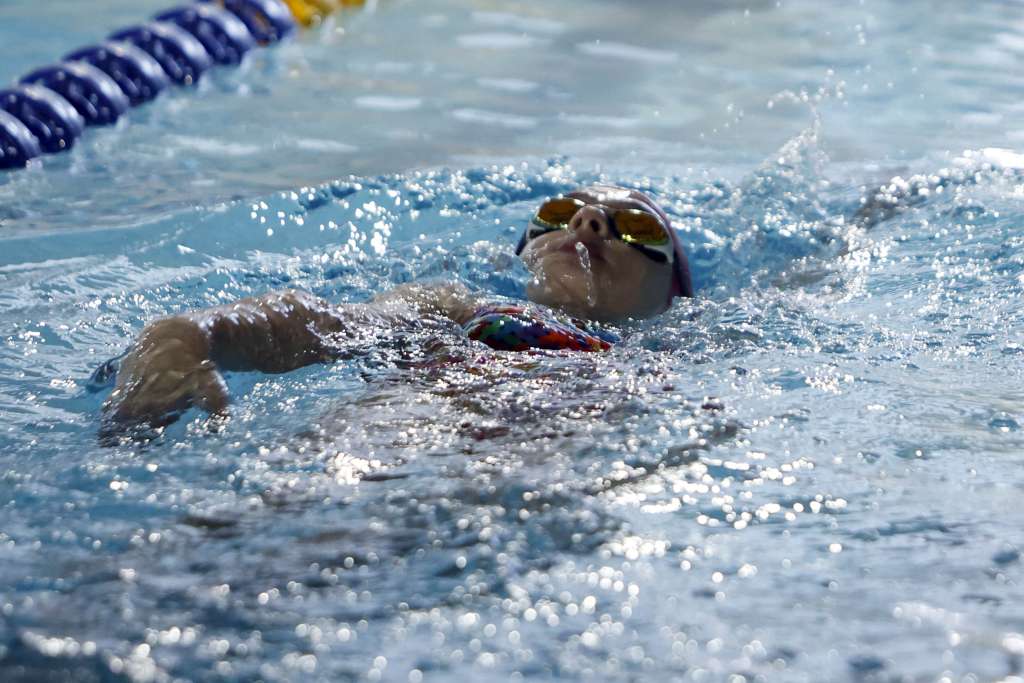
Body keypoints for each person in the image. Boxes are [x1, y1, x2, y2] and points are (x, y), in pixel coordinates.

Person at [100, 184, 694, 434]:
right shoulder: (454, 304)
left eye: (636, 225)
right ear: (525, 254)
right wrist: (193, 333)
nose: (588, 221)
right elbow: (326, 324)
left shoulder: (687, 357)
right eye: (559, 213)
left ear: (673, 294)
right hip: (382, 455)